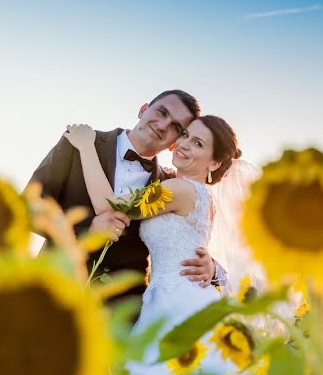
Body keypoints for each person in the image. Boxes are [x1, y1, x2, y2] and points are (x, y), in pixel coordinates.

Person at [62, 115, 244, 375]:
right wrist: (213, 267)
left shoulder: (181, 190)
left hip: (177, 305)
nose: (185, 146)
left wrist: (84, 147)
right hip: (173, 297)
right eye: (186, 137)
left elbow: (112, 206)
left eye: (198, 145)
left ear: (213, 164)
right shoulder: (189, 192)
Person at [27, 90, 221, 305]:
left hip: (124, 312)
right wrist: (86, 230)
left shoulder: (168, 187)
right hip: (52, 290)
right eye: (162, 112)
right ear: (143, 110)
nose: (164, 125)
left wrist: (213, 269)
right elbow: (28, 208)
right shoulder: (80, 143)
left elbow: (184, 238)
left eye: (176, 127)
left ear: (176, 141)